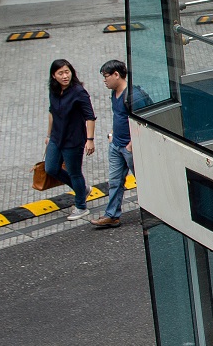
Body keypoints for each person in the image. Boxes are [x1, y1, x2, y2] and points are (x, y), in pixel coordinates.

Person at [92, 59, 148, 229]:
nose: (104, 80)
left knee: (145, 181)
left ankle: (154, 213)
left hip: (130, 147)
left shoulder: (133, 97)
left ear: (117, 75)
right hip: (117, 145)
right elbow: (119, 117)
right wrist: (113, 135)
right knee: (115, 181)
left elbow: (144, 122)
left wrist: (132, 144)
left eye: (106, 76)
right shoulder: (115, 92)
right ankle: (112, 215)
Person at [43, 59, 96, 221]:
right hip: (56, 137)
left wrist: (90, 139)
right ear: (54, 75)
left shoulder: (78, 92)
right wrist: (48, 135)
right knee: (50, 168)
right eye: (61, 73)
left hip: (73, 140)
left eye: (67, 72)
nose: (65, 76)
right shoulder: (54, 90)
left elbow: (90, 116)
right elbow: (52, 112)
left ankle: (81, 206)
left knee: (74, 173)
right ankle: (82, 190)